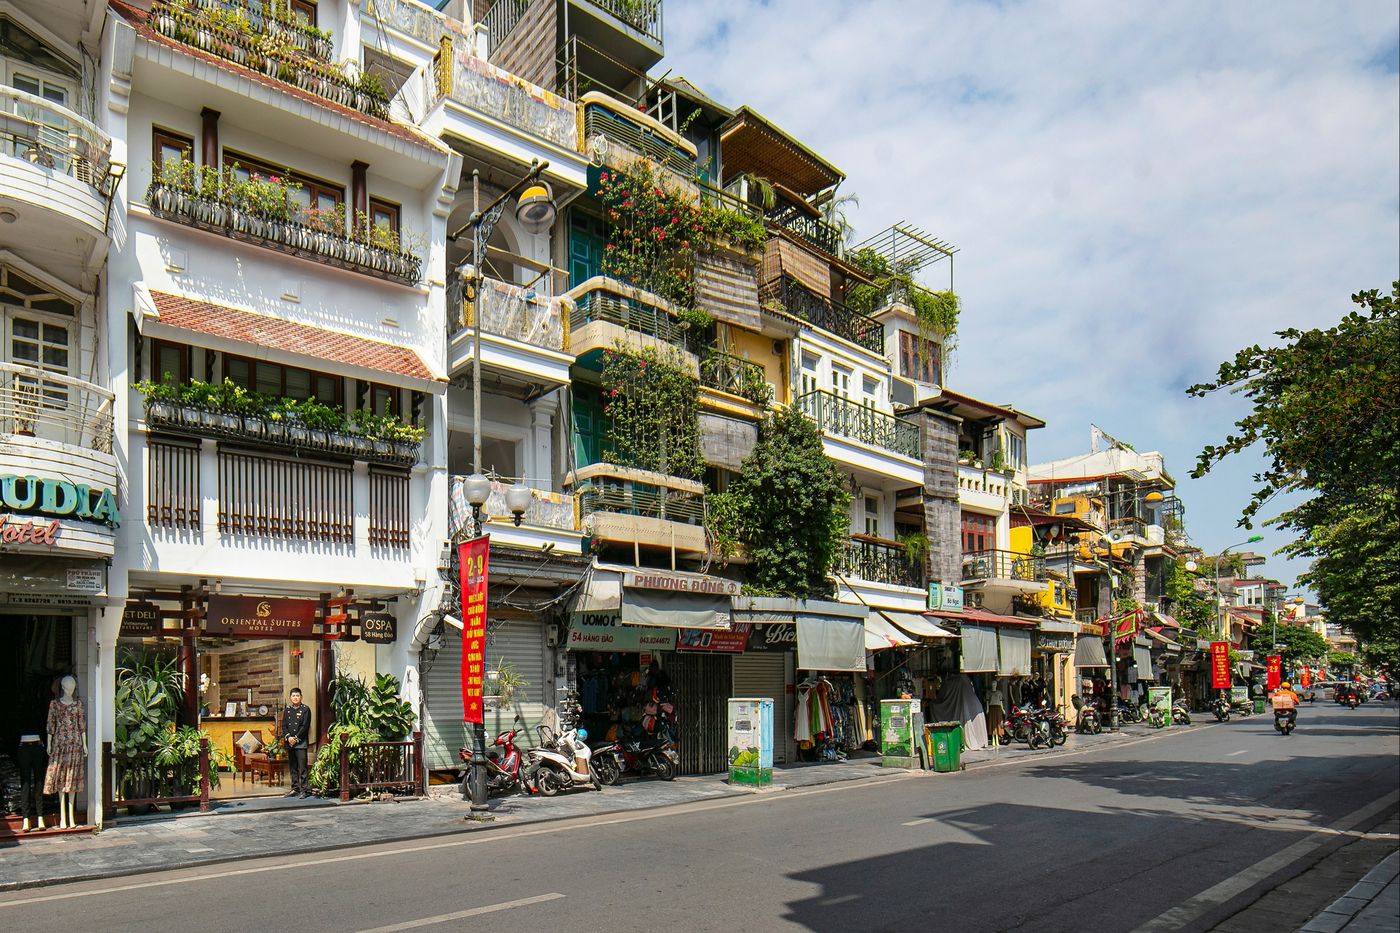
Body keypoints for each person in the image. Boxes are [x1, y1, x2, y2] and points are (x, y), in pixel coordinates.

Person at [282, 688, 312, 798]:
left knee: (302, 767)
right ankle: (295, 788)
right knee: (293, 767)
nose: (295, 697)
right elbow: (284, 726)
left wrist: (295, 738)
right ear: (290, 697)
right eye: (293, 696)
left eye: (297, 696)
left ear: (301, 697)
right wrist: (288, 737)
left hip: (300, 743)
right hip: (289, 743)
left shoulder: (305, 709)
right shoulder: (287, 710)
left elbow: (305, 727)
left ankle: (305, 790)